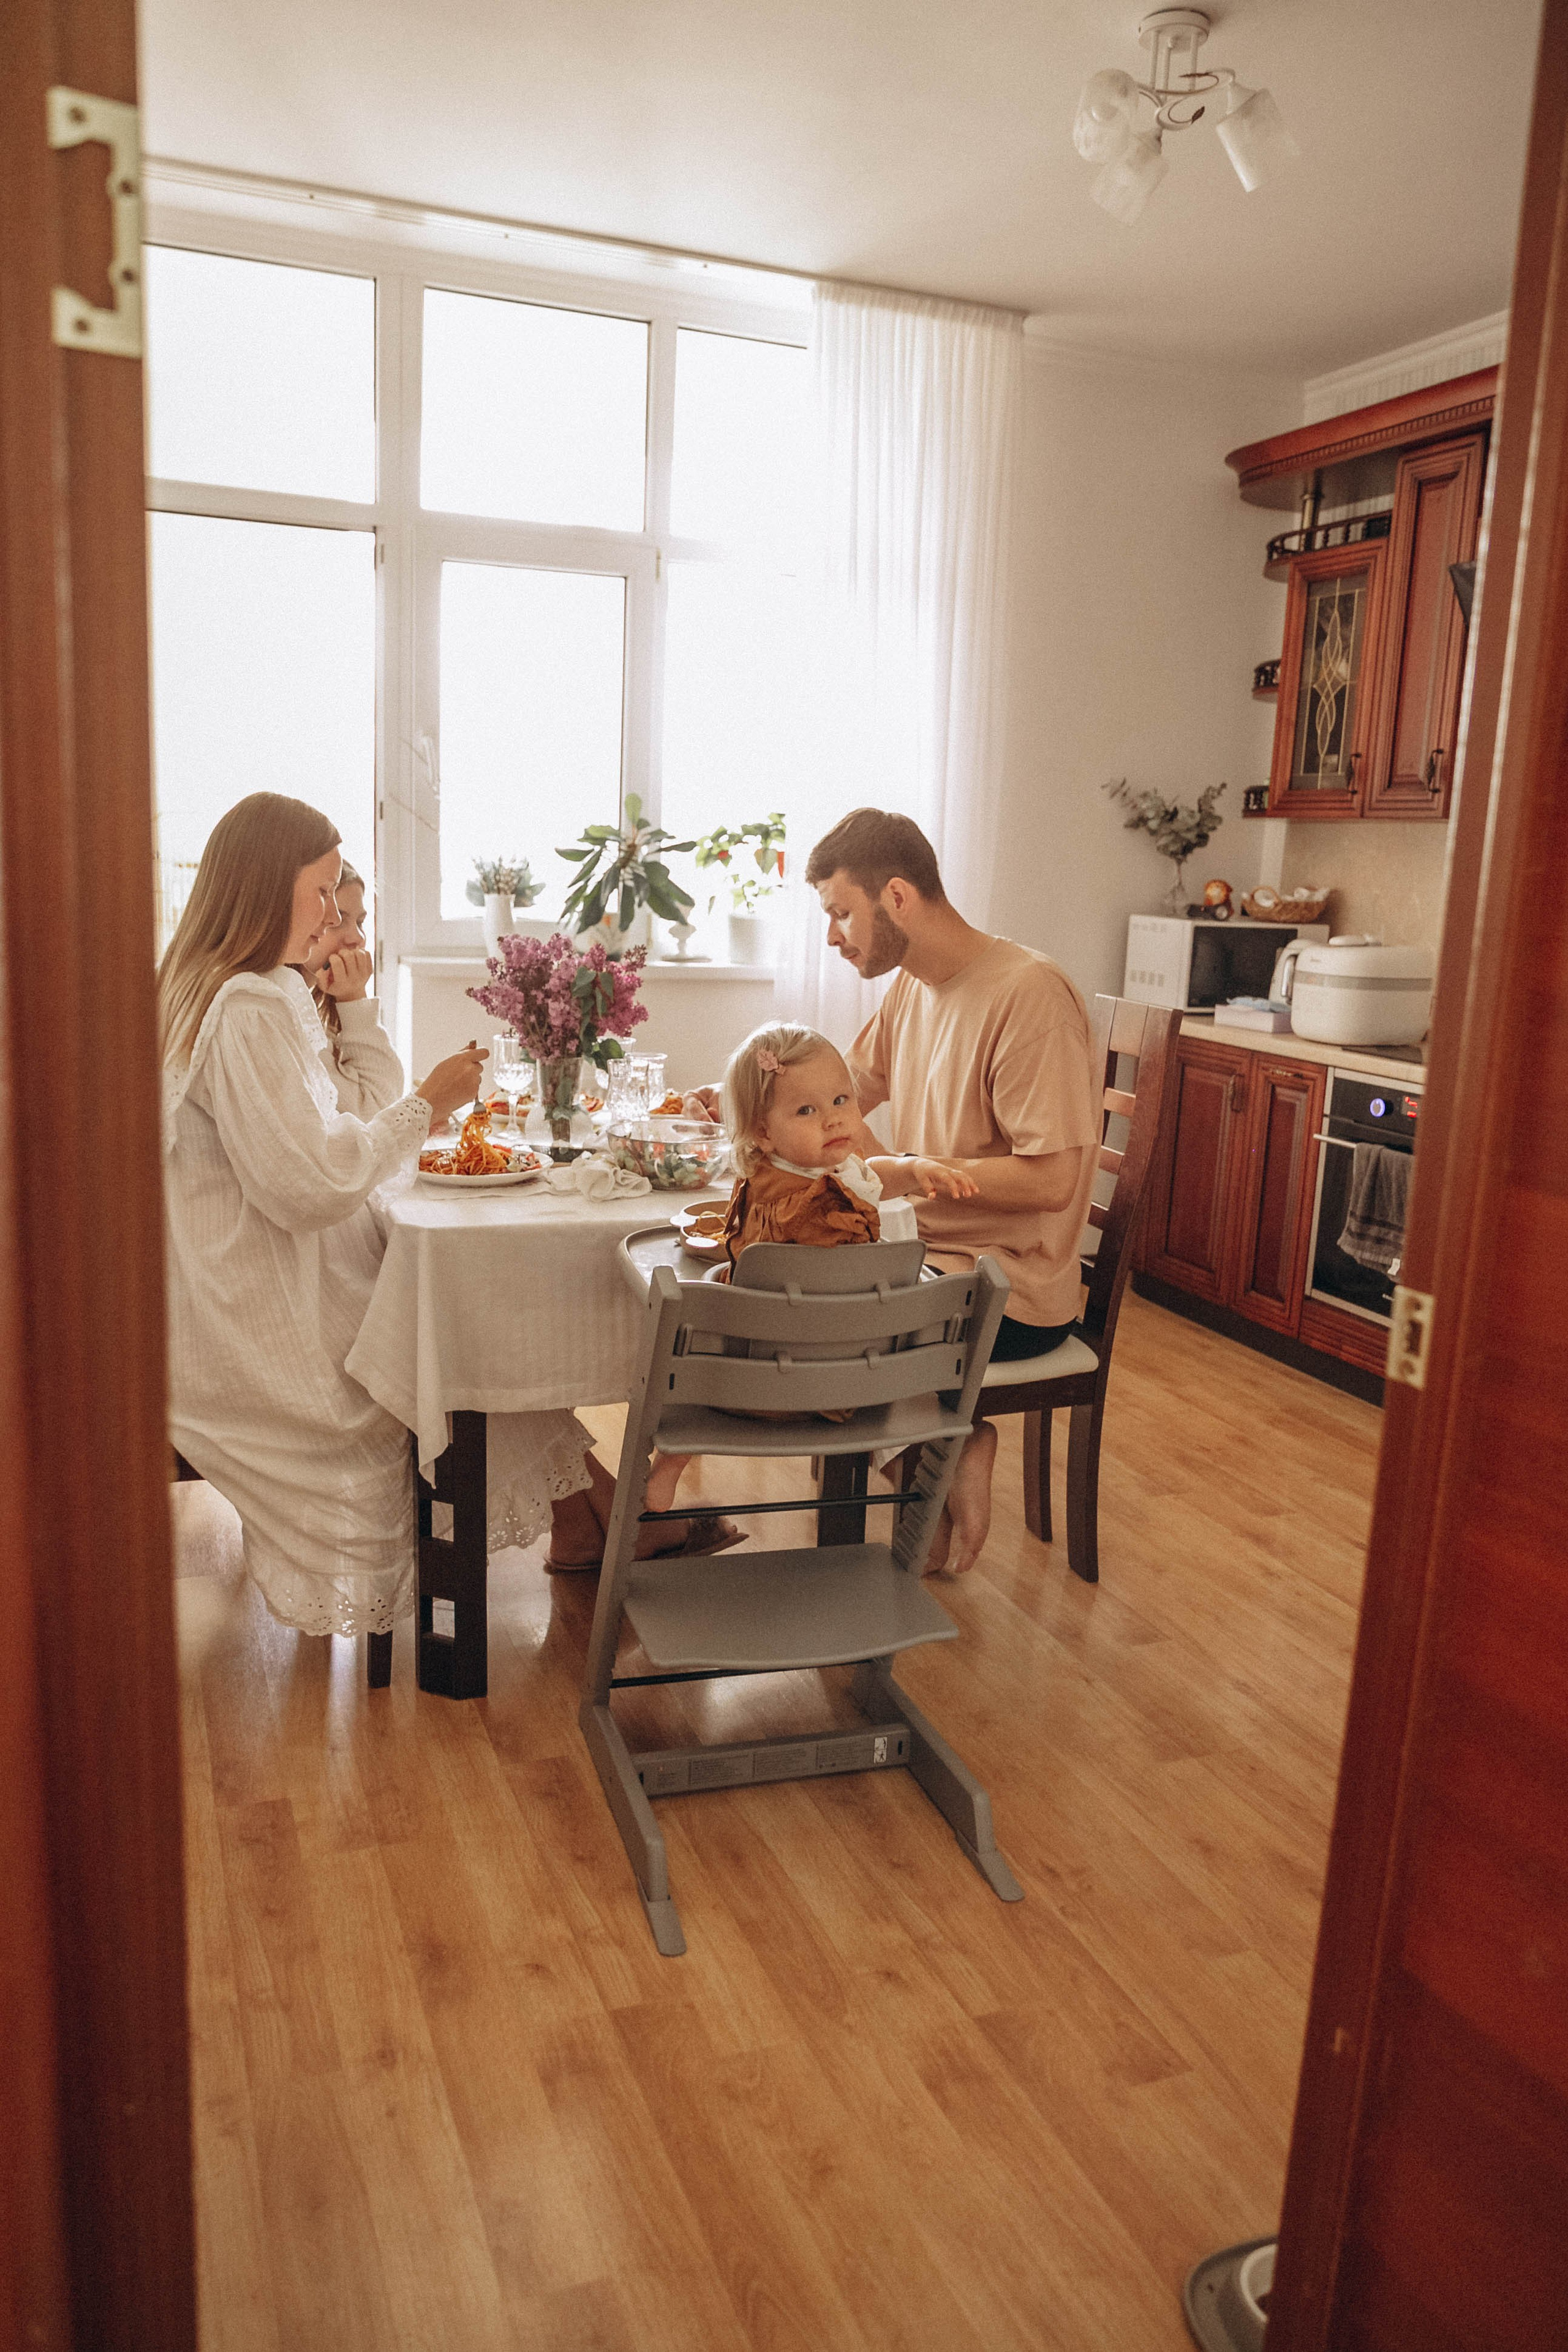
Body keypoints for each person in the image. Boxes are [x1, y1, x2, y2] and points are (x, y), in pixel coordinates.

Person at [685, 808, 1098, 1575]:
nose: (833, 936)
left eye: (842, 913)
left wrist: (905, 1170)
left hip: (1004, 1287)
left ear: (897, 897)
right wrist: (741, 1099)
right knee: (764, 1291)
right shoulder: (913, 987)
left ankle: (937, 1453)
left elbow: (1054, 1179)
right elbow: (839, 1090)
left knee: (800, 1326)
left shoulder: (1028, 995)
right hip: (913, 1257)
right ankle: (931, 1452)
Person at [719, 1022, 977, 1272]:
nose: (833, 1120)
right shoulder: (802, 1205)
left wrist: (912, 1169)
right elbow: (839, 1275)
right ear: (764, 1133)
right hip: (805, 1295)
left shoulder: (809, 1164)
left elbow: (866, 1176)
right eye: (806, 1110)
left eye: (840, 1100)